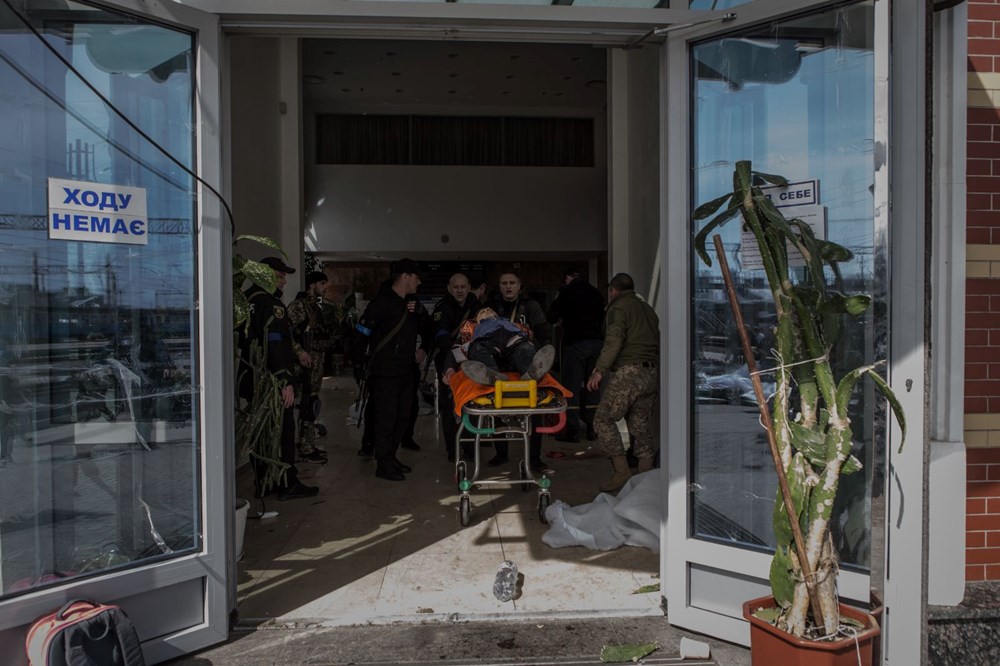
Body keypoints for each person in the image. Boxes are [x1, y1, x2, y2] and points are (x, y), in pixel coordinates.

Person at [241, 256, 320, 501]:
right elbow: (276, 346)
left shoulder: (246, 302)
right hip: (272, 382)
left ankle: (264, 483)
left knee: (261, 433)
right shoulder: (270, 304)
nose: (284, 281)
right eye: (280, 275)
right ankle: (287, 483)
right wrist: (286, 380)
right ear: (265, 274)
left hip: (252, 378)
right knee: (282, 431)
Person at [354, 259, 434, 482]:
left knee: (403, 416)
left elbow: (429, 330)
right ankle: (383, 463)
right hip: (384, 373)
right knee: (385, 418)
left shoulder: (413, 303)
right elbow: (360, 335)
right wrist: (359, 366)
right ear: (405, 277)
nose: (419, 282)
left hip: (406, 371)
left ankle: (390, 456)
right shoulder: (380, 303)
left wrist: (424, 347)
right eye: (416, 277)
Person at [585, 273, 660, 493]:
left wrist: (599, 370)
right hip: (651, 372)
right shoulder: (648, 310)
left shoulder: (618, 308)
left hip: (629, 372)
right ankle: (645, 478)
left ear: (613, 291)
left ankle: (621, 472)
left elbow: (614, 340)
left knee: (602, 419)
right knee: (640, 425)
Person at [486, 270, 552, 471]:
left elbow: (543, 330)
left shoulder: (530, 306)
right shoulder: (491, 308)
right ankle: (501, 454)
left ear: (519, 285)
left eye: (512, 283)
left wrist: (543, 350)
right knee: (497, 410)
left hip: (525, 364)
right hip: (501, 367)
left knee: (532, 411)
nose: (508, 286)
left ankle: (534, 458)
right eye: (504, 283)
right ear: (499, 286)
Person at [548, 268, 605, 443]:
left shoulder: (566, 291)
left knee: (571, 387)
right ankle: (591, 429)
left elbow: (551, 317)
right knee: (593, 385)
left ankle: (572, 430)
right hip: (596, 343)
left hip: (576, 343)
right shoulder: (596, 293)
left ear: (567, 278)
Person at [432, 272, 482, 462]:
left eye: (463, 287)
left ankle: (470, 448)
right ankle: (453, 449)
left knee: (473, 405)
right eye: (456, 287)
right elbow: (441, 334)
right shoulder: (442, 308)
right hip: (448, 363)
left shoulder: (478, 306)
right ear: (449, 288)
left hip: (473, 364)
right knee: (449, 407)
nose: (459, 290)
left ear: (469, 288)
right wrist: (455, 354)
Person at [287, 270, 331, 463]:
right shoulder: (298, 306)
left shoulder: (315, 308)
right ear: (312, 285)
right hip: (303, 365)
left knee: (311, 404)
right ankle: (304, 446)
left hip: (315, 363)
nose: (325, 287)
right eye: (322, 283)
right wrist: (299, 352)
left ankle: (308, 443)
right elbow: (289, 334)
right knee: (305, 405)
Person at [462, 308, 555, 385]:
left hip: (513, 348)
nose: (487, 310)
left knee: (525, 348)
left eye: (490, 309)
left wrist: (536, 348)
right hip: (491, 352)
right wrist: (450, 367)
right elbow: (459, 347)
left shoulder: (513, 324)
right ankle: (491, 375)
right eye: (483, 311)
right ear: (477, 320)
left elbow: (529, 339)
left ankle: (530, 373)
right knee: (477, 348)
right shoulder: (472, 327)